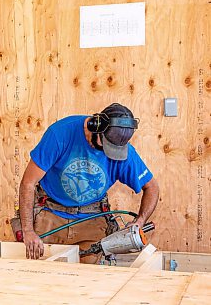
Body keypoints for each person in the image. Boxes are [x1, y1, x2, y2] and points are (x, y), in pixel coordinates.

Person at [15, 103, 159, 263]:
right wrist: (28, 230)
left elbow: (151, 187)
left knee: (90, 276)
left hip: (91, 218)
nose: (107, 152)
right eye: (105, 145)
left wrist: (140, 220)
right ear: (95, 125)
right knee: (42, 272)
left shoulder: (124, 153)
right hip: (50, 214)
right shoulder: (60, 134)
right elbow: (28, 183)